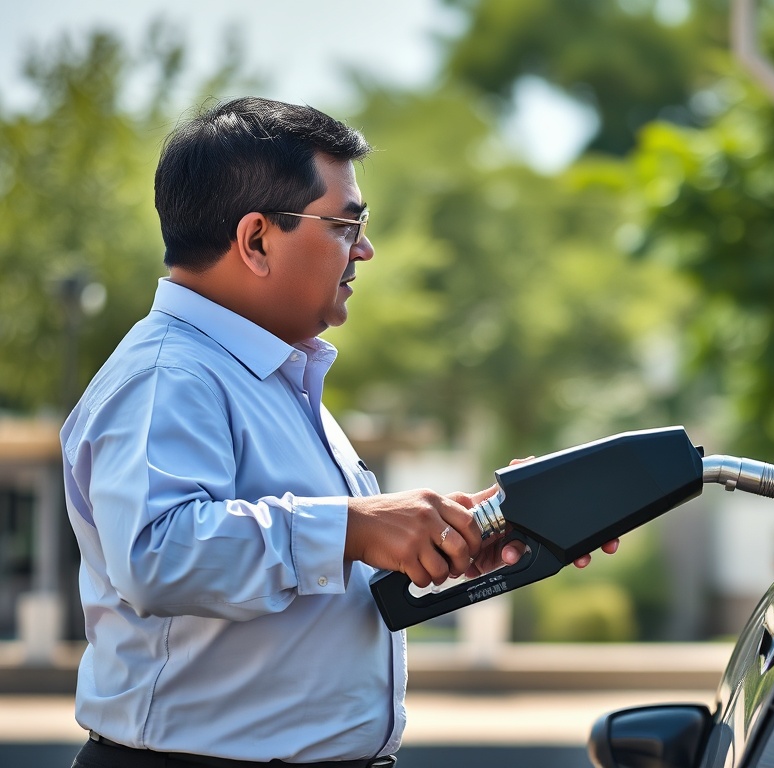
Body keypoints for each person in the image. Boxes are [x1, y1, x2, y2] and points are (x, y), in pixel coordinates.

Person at [60, 96, 617, 768]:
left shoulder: (268, 374)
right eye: (345, 225)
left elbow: (306, 568)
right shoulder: (169, 375)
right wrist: (355, 526)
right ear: (257, 239)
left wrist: (459, 528)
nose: (366, 248)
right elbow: (159, 553)